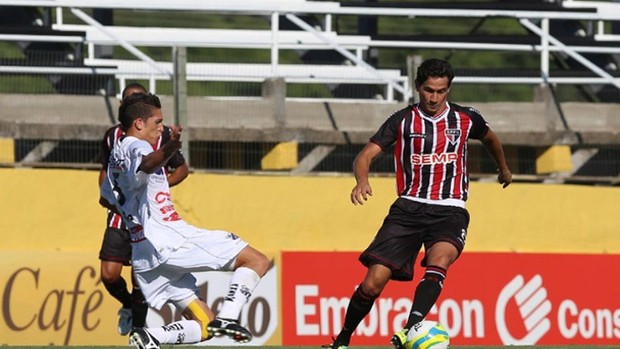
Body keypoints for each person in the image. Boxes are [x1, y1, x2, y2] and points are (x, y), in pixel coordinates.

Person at [324, 58, 512, 349]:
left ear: (448, 89)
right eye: (428, 90)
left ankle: (410, 329)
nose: (434, 97)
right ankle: (343, 340)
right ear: (417, 87)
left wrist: (504, 168)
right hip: (408, 209)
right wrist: (362, 180)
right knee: (373, 283)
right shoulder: (402, 120)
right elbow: (364, 156)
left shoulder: (465, 118)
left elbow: (491, 139)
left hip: (450, 209)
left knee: (440, 262)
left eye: (441, 91)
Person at [99, 92, 270, 349]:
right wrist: (171, 147)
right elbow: (146, 163)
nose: (161, 128)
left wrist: (140, 203)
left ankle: (150, 337)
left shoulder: (114, 157)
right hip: (169, 239)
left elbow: (106, 198)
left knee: (203, 324)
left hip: (144, 252)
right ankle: (229, 318)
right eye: (157, 122)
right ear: (138, 124)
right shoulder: (138, 146)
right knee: (256, 260)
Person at [98, 82, 189, 336]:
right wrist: (110, 196)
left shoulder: (162, 135)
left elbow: (181, 169)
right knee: (109, 275)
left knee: (142, 284)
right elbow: (106, 171)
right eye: (131, 99)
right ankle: (126, 306)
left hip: (150, 218)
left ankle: (140, 335)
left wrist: (158, 188)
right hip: (121, 216)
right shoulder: (112, 137)